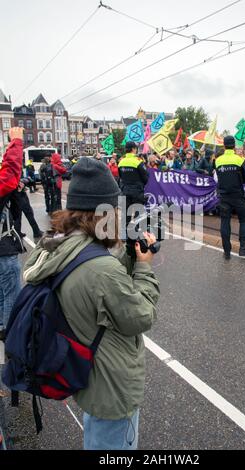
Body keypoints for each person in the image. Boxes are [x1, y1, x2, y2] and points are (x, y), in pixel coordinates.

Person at [23, 157, 160, 450]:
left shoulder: (57, 242)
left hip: (88, 373)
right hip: (110, 385)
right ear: (103, 212)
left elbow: (92, 269)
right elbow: (141, 316)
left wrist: (130, 256)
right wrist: (145, 267)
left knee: (97, 436)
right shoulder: (101, 270)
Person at [0, 127, 25, 341]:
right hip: (3, 250)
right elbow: (8, 176)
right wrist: (16, 142)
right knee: (11, 294)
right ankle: (12, 338)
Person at [216, 135, 245, 261]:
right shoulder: (239, 160)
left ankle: (227, 251)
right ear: (234, 146)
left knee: (225, 222)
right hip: (238, 195)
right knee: (244, 219)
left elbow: (218, 177)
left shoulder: (218, 161)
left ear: (224, 145)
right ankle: (243, 248)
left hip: (224, 196)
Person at [118, 142, 149, 232]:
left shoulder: (121, 161)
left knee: (125, 213)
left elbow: (120, 176)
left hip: (125, 190)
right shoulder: (138, 161)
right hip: (137, 191)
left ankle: (124, 234)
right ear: (133, 149)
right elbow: (145, 177)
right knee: (138, 212)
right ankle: (135, 233)